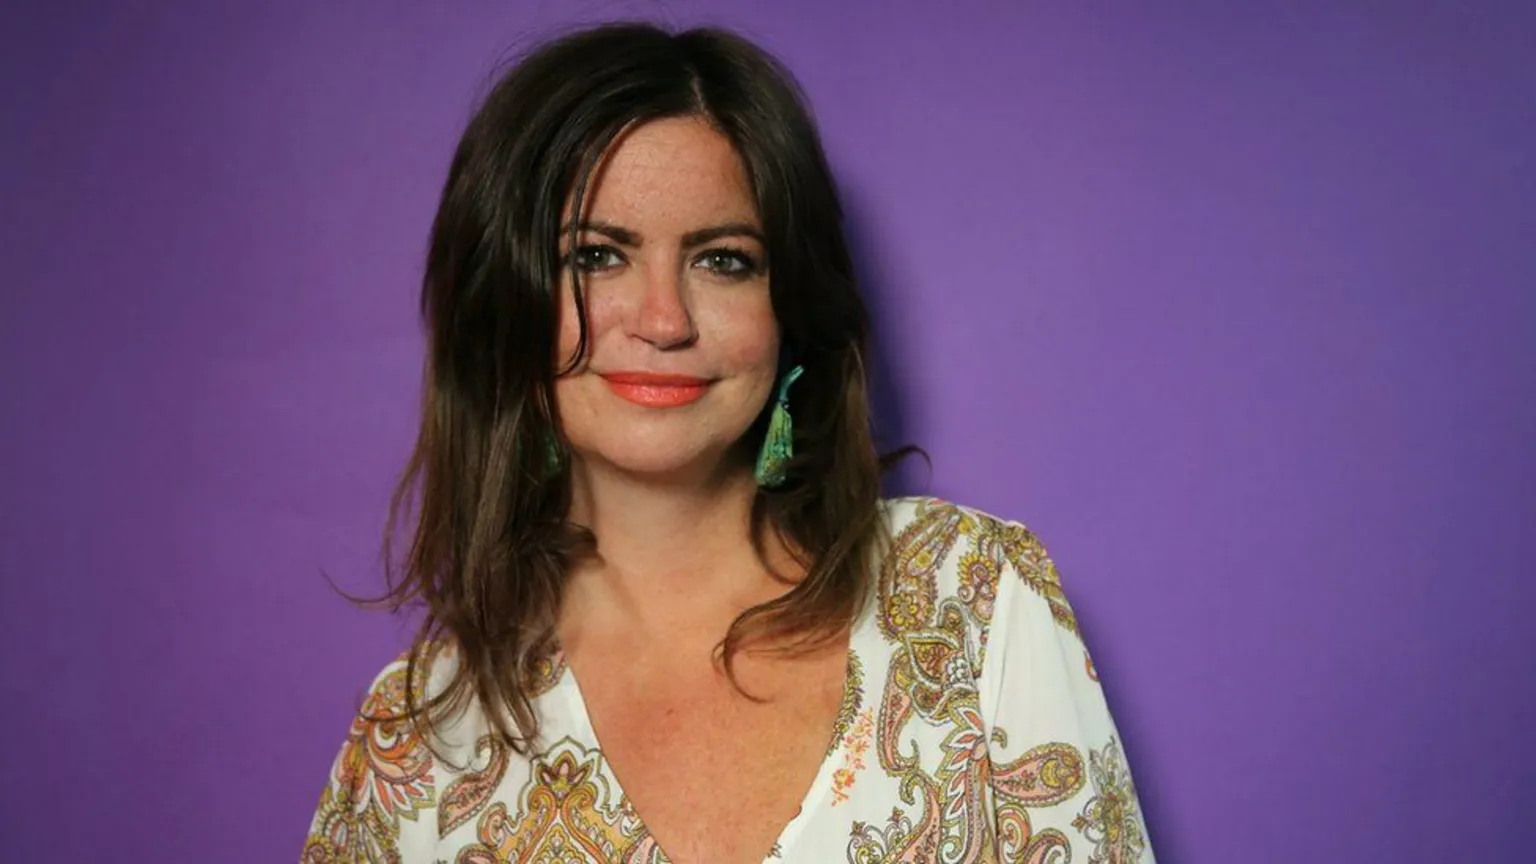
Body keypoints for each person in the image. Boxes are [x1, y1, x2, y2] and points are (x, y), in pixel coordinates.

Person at [303, 21, 1154, 864]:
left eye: (722, 260)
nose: (664, 320)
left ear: (791, 310)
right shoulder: (413, 746)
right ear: (501, 306)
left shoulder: (971, 602)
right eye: (595, 256)